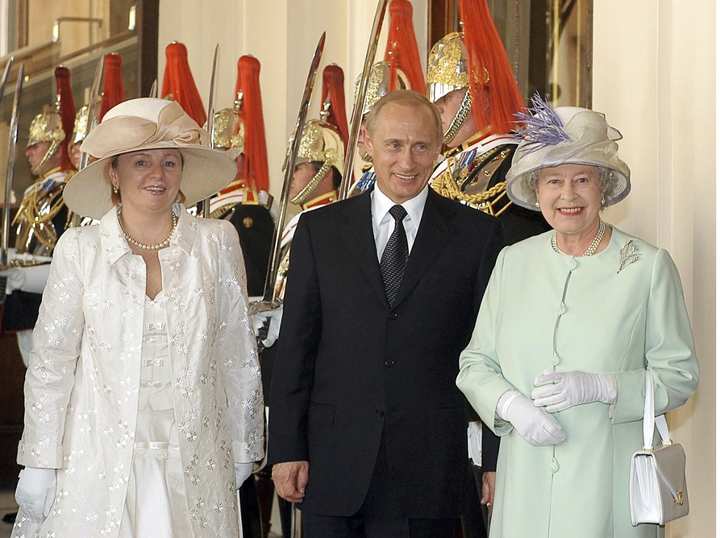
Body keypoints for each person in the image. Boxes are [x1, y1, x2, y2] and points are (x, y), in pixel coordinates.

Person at [11, 97, 265, 538]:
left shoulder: (217, 243)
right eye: (141, 161)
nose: (157, 175)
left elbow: (237, 354)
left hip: (196, 464)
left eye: (170, 162)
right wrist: (39, 458)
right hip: (97, 465)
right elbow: (52, 365)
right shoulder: (80, 250)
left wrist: (245, 444)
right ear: (114, 172)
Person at [455, 95, 699, 538]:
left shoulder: (647, 267)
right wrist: (510, 406)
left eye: (581, 179)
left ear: (602, 187)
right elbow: (475, 363)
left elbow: (680, 375)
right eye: (553, 181)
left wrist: (606, 386)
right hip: (525, 489)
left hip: (608, 495)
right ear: (536, 191)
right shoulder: (513, 262)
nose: (567, 195)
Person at [267, 90, 504, 538]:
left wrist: (494, 460)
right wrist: (286, 449)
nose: (407, 161)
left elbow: (491, 355)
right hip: (331, 466)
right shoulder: (320, 232)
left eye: (420, 146)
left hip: (428, 470)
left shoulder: (477, 236)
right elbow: (296, 349)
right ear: (367, 145)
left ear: (439, 148)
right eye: (394, 145)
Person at [427, 0, 549, 245]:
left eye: (447, 97)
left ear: (479, 98)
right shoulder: (444, 169)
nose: (437, 108)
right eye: (435, 98)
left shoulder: (513, 162)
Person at [1, 66, 76, 368]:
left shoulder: (69, 191)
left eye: (36, 144)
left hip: (52, 301)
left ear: (57, 144)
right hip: (22, 302)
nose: (29, 152)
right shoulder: (33, 192)